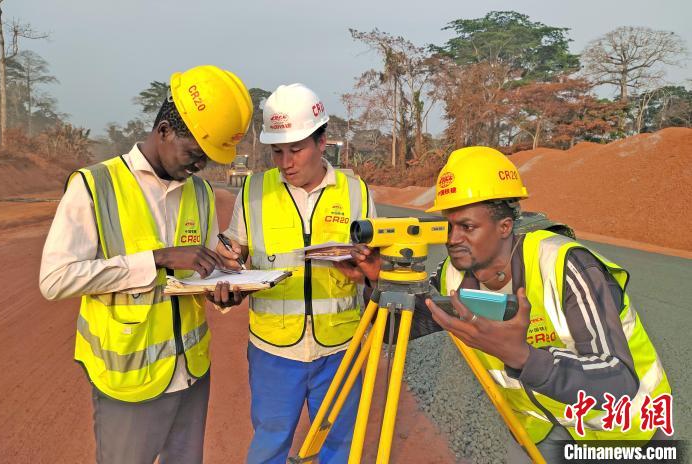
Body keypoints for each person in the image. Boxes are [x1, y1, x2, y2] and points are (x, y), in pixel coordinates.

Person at [342, 146, 672, 462]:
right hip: (538, 433)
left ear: (504, 227)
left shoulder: (564, 265)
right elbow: (397, 331)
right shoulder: (453, 277)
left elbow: (618, 381)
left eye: (467, 226)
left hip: (625, 433)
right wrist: (378, 282)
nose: (453, 239)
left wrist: (523, 357)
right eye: (449, 225)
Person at [39, 65, 253, 464]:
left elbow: (202, 271)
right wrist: (156, 259)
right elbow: (55, 279)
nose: (198, 167)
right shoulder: (94, 186)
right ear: (165, 132)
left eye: (206, 160)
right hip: (127, 381)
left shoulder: (201, 192)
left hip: (191, 374)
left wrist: (226, 292)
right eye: (194, 154)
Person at [219, 83, 376, 464]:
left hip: (340, 348)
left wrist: (367, 269)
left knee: (339, 443)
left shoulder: (356, 192)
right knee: (270, 442)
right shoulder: (254, 191)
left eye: (296, 150)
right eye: (277, 152)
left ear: (322, 142)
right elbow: (234, 250)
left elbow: (378, 262)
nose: (286, 163)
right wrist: (229, 269)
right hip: (274, 351)